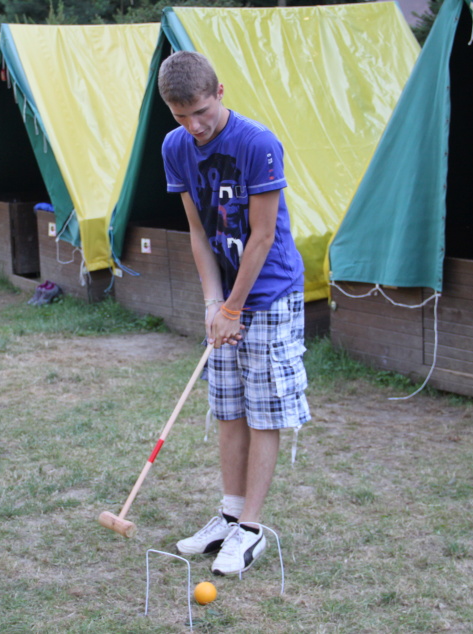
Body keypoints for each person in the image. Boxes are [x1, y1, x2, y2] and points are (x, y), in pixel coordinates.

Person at [158, 51, 310, 576]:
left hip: (268, 294)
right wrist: (212, 303)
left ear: (219, 92)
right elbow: (198, 232)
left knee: (263, 411)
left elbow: (263, 236)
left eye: (201, 112)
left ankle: (251, 528)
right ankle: (227, 514)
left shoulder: (257, 143)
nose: (194, 126)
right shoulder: (175, 147)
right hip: (225, 298)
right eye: (181, 116)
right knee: (228, 407)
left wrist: (234, 306)